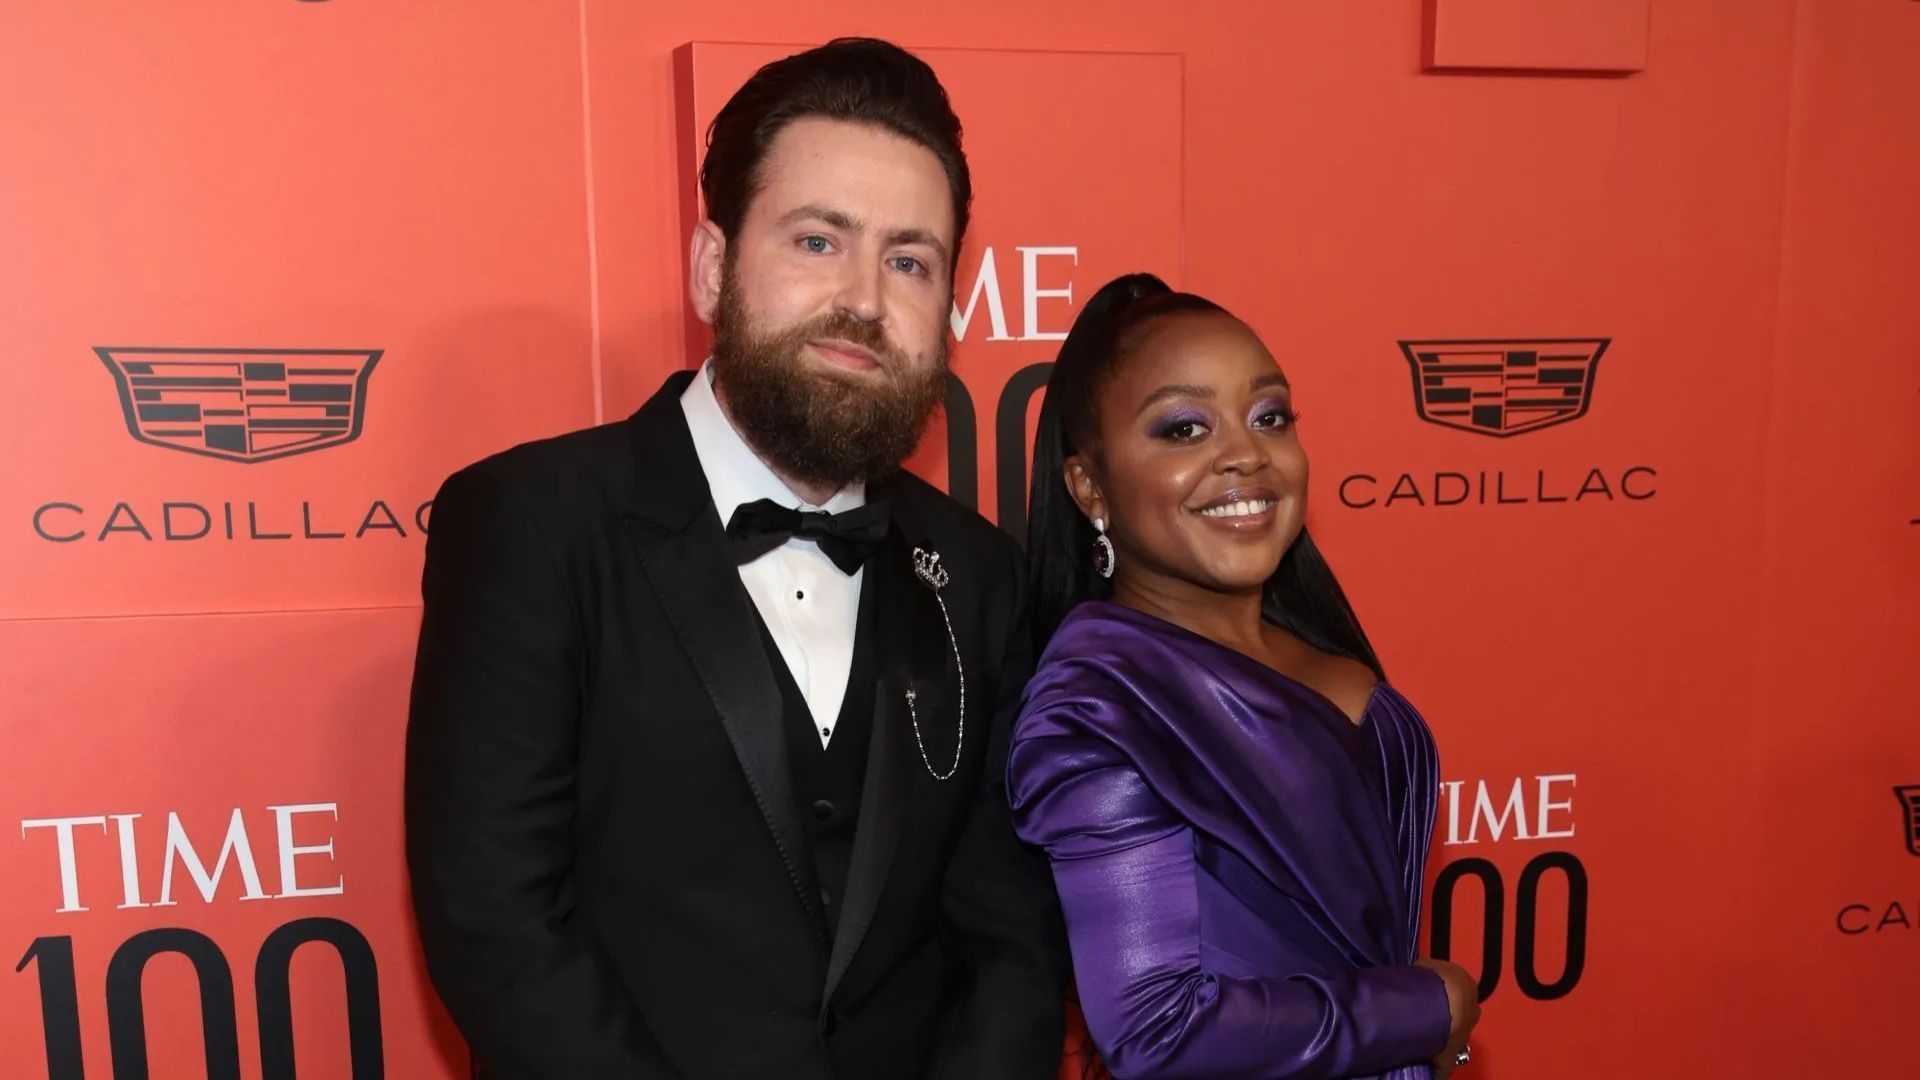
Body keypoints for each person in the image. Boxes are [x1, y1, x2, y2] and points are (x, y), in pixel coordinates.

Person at [405, 38, 1066, 1080]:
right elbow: (498, 919)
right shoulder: (533, 523)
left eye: (908, 261)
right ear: (714, 266)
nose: (863, 299)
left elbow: (1012, 943)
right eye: (817, 241)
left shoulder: (976, 571)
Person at [1007, 273, 1481, 1079]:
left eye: (1270, 417)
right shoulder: (1097, 706)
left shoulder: (1317, 647)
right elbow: (1159, 1029)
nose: (1244, 454)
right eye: (1184, 427)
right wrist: (1425, 1007)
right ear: (1090, 486)